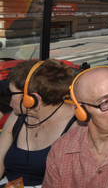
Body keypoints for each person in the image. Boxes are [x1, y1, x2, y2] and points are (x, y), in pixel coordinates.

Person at [0, 59, 78, 187]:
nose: (8, 100)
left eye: (10, 93)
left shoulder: (76, 126)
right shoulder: (17, 116)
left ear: (32, 99)